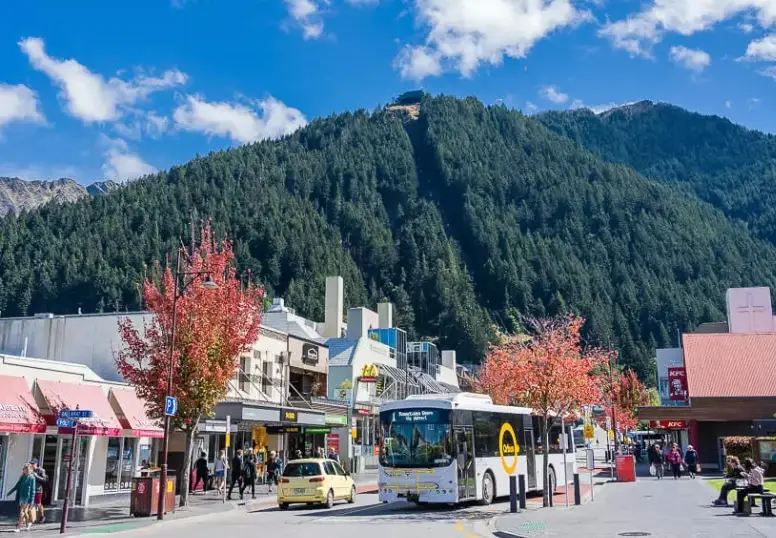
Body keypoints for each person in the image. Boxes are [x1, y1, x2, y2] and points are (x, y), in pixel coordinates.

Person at [7, 463, 36, 532]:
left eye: (26, 469)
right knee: (25, 512)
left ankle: (18, 527)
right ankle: (28, 523)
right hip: (22, 496)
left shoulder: (32, 478)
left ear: (30, 469)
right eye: (24, 469)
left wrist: (32, 501)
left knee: (22, 511)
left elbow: (33, 490)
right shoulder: (23, 477)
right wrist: (10, 492)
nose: (24, 470)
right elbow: (17, 486)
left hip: (28, 497)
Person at [29, 459, 47, 524]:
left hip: (38, 490)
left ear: (36, 464)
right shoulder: (30, 469)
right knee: (29, 503)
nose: (31, 465)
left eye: (33, 463)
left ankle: (42, 516)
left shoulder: (41, 470)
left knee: (38, 504)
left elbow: (44, 480)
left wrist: (36, 476)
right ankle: (30, 518)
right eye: (31, 463)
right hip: (30, 489)